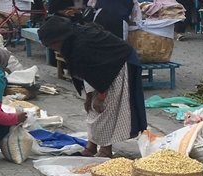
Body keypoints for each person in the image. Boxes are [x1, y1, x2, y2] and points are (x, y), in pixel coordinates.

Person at [38, 16, 147, 158]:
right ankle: (92, 146)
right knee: (91, 109)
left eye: (50, 45)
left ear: (58, 40)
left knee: (106, 109)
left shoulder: (82, 45)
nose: (51, 49)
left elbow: (102, 73)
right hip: (102, 69)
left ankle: (105, 149)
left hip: (119, 62)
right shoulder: (72, 43)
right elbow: (88, 74)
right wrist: (88, 97)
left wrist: (100, 97)